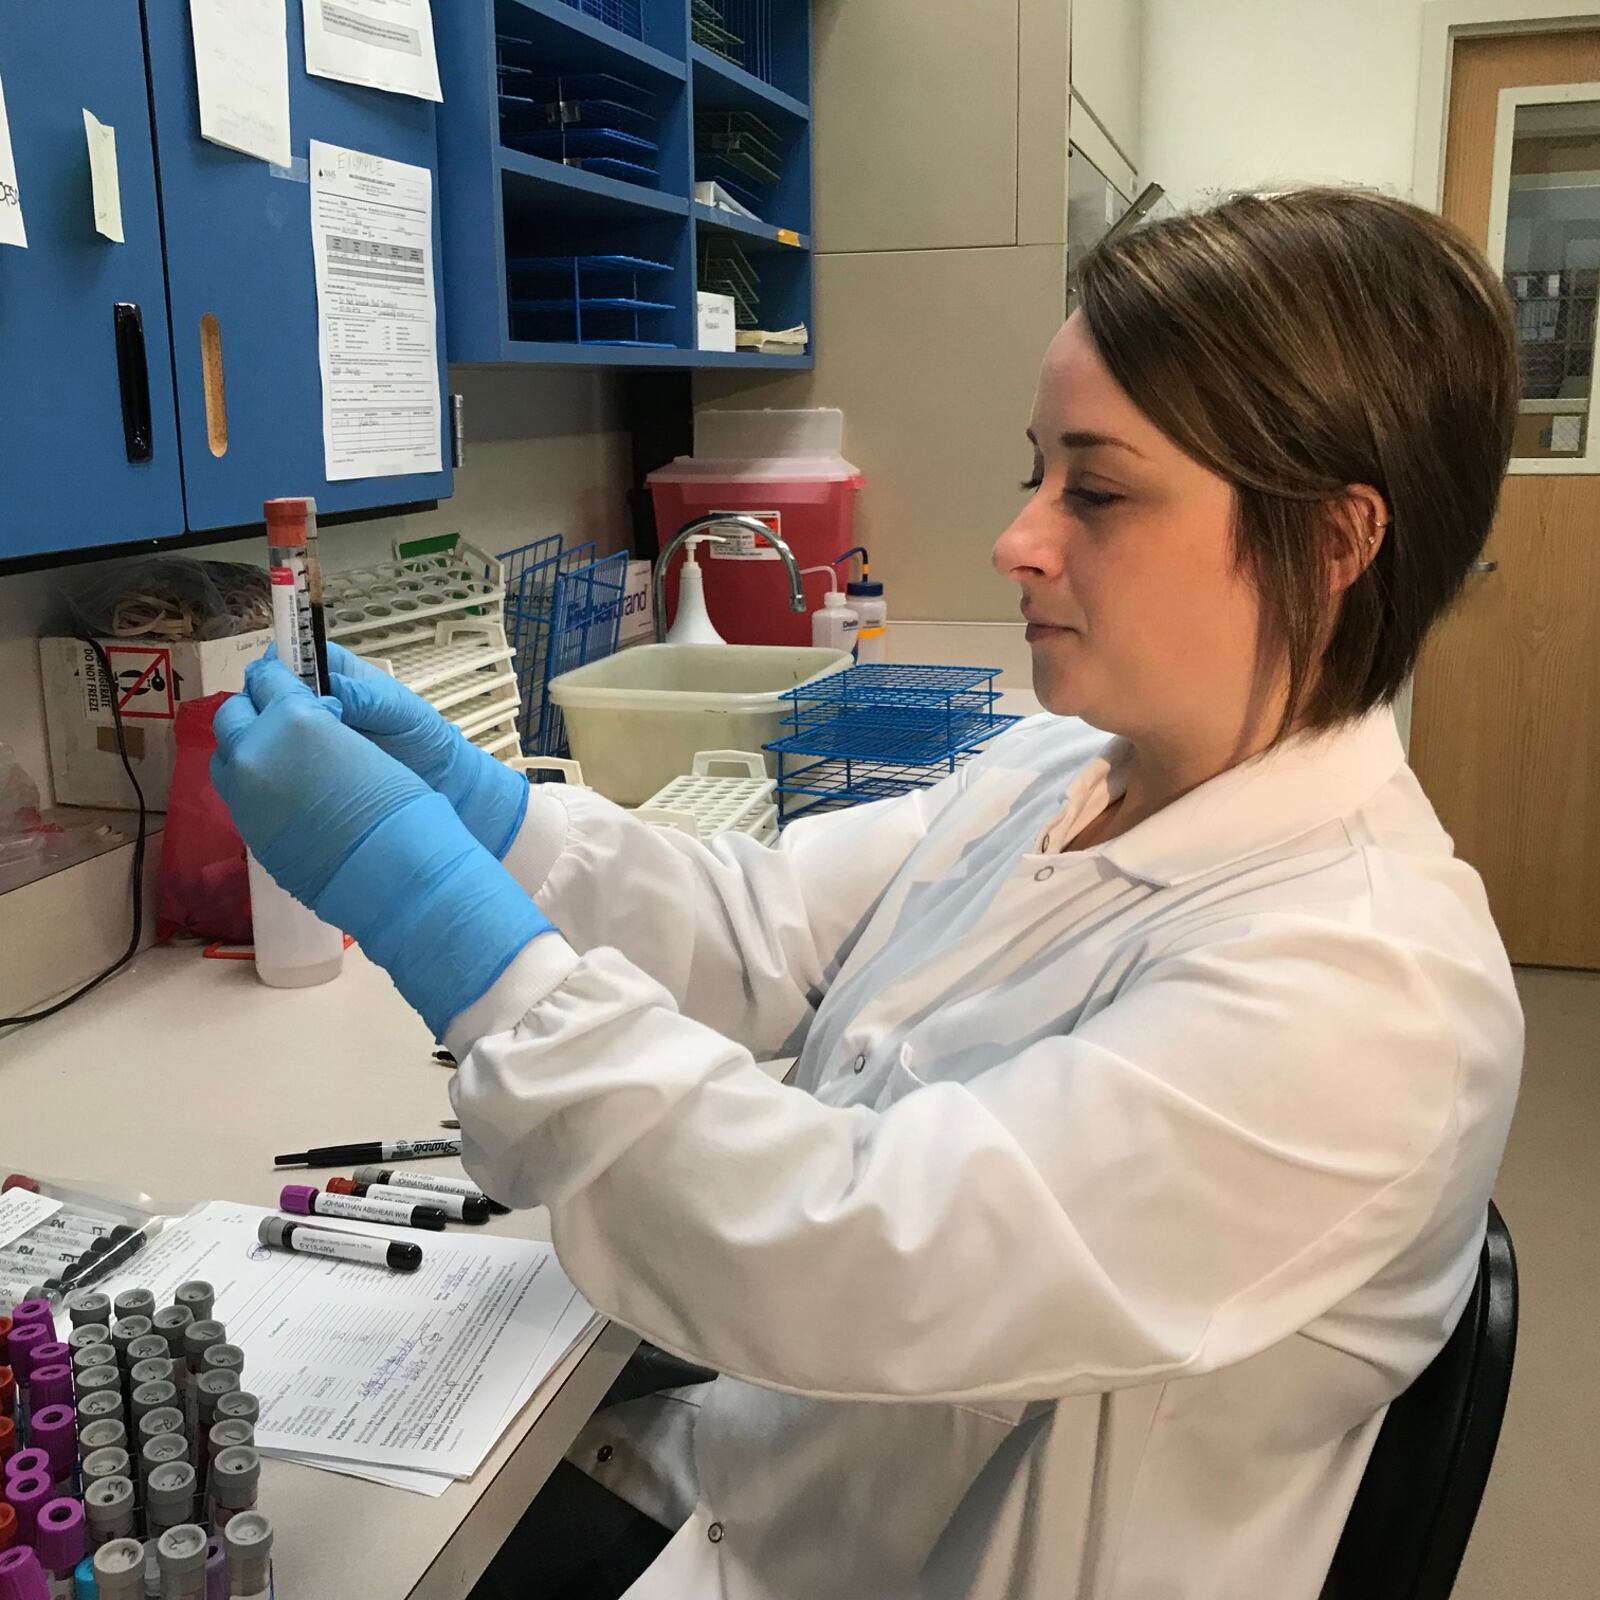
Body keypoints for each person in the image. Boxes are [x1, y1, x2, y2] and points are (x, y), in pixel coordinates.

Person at [213, 187, 1524, 1599]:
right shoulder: (1061, 765)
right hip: (761, 1491)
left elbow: (850, 1251)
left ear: (1334, 543)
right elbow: (758, 933)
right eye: (1039, 473)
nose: (1020, 540)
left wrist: (441, 921)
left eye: (1098, 488)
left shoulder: (1369, 994)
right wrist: (488, 822)